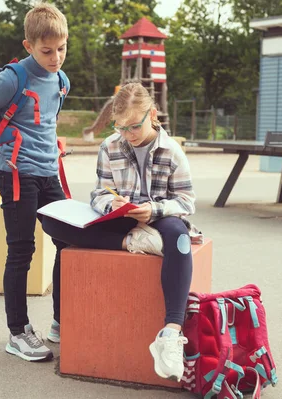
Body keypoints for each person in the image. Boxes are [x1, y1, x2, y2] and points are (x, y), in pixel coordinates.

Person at [41, 82, 202, 382]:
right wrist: (110, 203)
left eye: (133, 127)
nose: (126, 134)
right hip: (123, 220)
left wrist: (152, 210)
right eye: (119, 127)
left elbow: (186, 201)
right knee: (52, 222)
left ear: (152, 115)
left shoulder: (172, 150)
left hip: (158, 218)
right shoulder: (110, 146)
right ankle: (131, 241)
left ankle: (170, 333)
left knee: (179, 237)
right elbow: (98, 193)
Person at [0, 2, 70, 363]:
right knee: (22, 250)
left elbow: (45, 123)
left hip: (48, 173)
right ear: (28, 46)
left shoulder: (61, 80)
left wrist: (55, 146)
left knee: (69, 243)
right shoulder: (13, 78)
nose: (55, 57)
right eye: (46, 51)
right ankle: (18, 332)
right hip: (16, 174)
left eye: (61, 49)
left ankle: (60, 321)